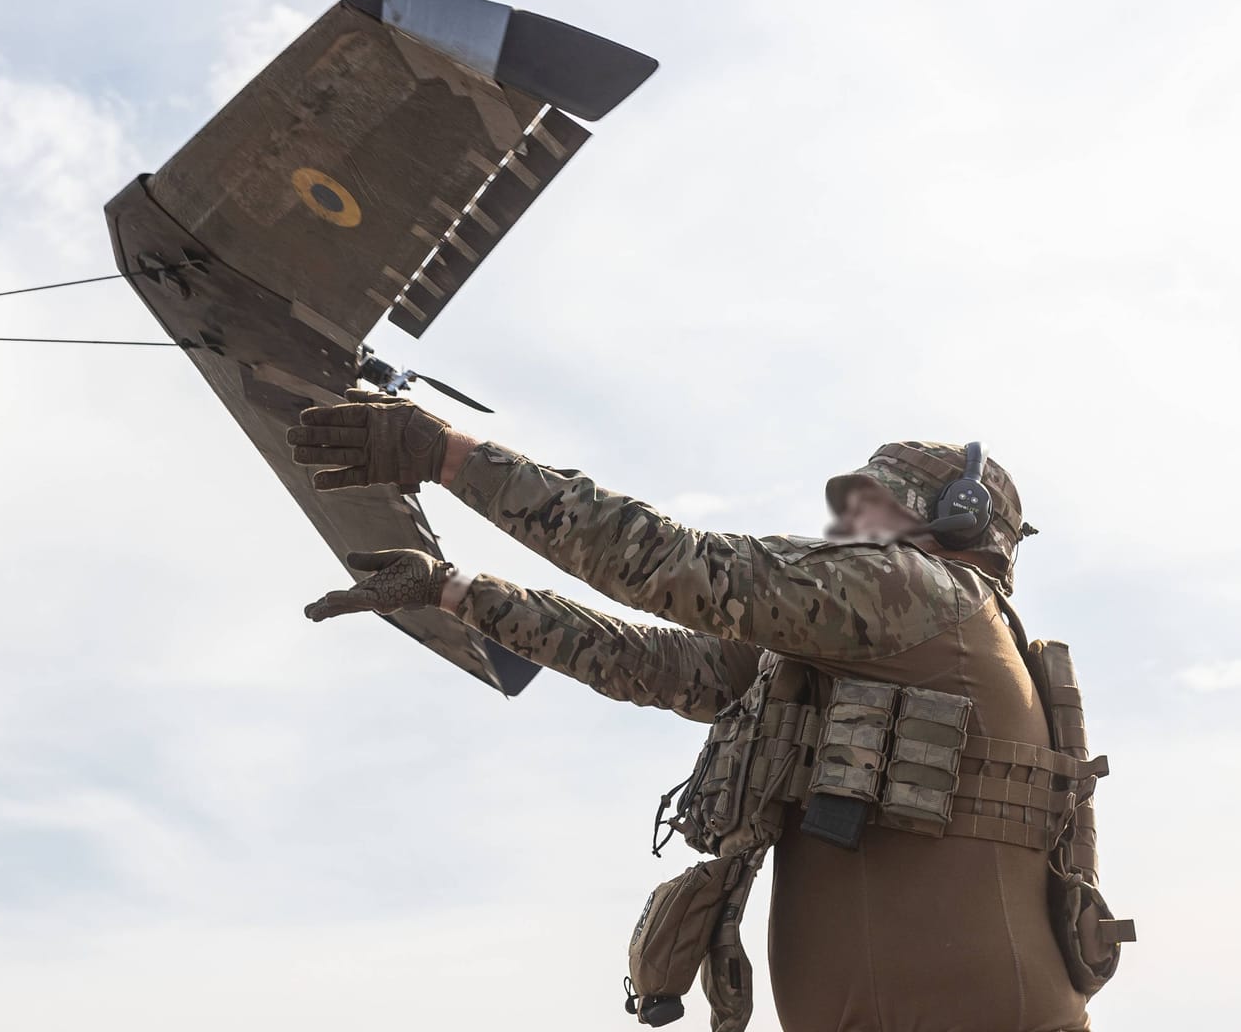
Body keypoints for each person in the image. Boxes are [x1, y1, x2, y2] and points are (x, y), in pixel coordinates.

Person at [288, 389, 1102, 1032]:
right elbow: (660, 665)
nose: (849, 524)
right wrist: (455, 590)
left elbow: (676, 566)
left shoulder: (920, 594)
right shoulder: (867, 646)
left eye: (878, 507)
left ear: (958, 520)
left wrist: (452, 457)